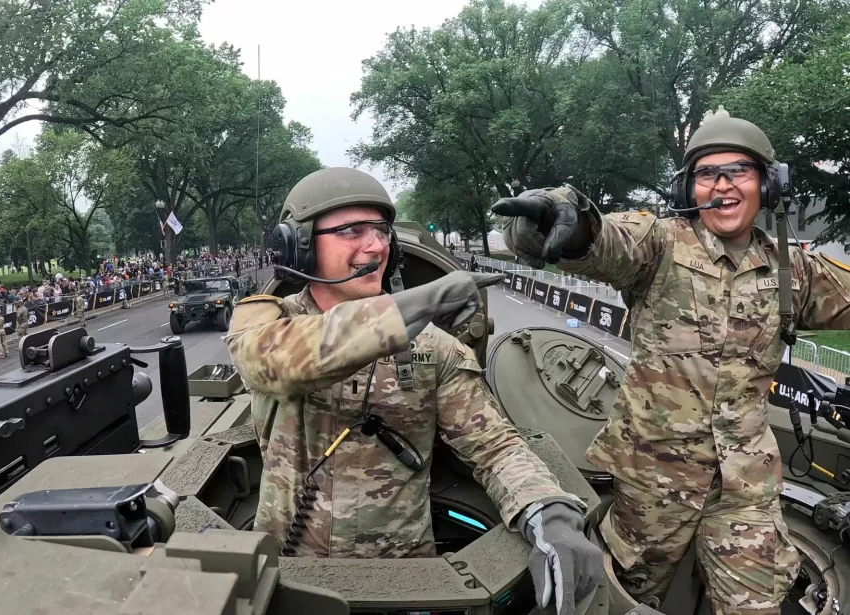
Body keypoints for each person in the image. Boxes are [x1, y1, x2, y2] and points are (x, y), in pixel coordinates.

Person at [489, 108, 850, 615]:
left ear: (768, 185)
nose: (722, 185)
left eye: (738, 171)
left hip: (744, 490)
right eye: (707, 174)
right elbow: (600, 243)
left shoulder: (793, 270)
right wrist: (556, 223)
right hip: (652, 485)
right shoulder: (659, 243)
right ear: (689, 189)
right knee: (620, 600)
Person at [226, 167, 602, 615]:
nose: (376, 245)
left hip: (407, 586)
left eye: (383, 231)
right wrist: (422, 302)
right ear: (301, 246)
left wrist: (548, 511)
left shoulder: (433, 348)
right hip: (289, 581)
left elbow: (496, 447)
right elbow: (271, 359)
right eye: (351, 231)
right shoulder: (265, 319)